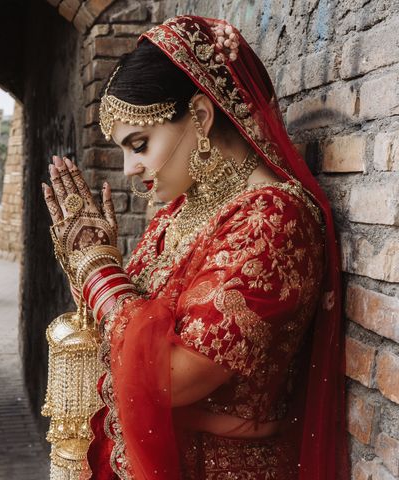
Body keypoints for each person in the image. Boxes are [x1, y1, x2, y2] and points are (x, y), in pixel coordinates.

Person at [42, 15, 348, 480]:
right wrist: (88, 269)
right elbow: (129, 324)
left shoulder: (271, 220)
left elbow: (172, 375)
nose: (129, 168)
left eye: (139, 144)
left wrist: (100, 274)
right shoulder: (180, 212)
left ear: (201, 116)